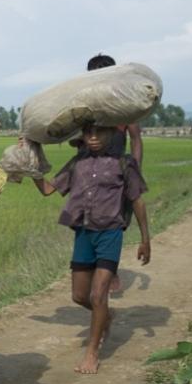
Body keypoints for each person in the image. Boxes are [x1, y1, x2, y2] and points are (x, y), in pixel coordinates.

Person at [32, 124, 151, 374]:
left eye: (99, 132)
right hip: (83, 234)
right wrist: (29, 166)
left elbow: (137, 200)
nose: (93, 138)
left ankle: (92, 352)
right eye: (88, 133)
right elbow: (47, 189)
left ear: (112, 135)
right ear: (82, 138)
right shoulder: (77, 163)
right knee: (79, 296)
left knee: (98, 296)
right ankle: (106, 315)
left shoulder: (123, 163)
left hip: (110, 233)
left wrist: (145, 239)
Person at [83, 54, 144, 294]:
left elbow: (136, 139)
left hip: (118, 172)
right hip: (90, 172)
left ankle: (111, 270)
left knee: (116, 220)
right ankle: (94, 267)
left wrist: (135, 170)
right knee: (89, 218)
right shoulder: (85, 104)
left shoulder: (124, 104)